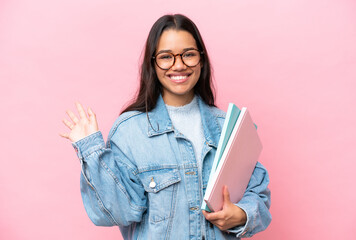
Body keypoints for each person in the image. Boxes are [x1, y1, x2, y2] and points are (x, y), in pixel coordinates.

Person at [60, 14, 271, 240]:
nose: (178, 65)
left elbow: (259, 194)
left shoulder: (228, 127)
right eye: (166, 57)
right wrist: (92, 152)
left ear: (201, 59)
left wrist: (241, 214)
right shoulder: (129, 132)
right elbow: (117, 213)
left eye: (188, 54)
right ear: (153, 63)